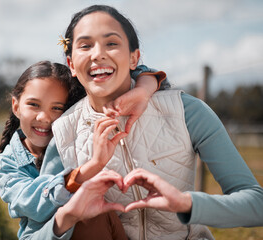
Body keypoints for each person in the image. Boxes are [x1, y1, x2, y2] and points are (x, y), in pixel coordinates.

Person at [41, 4, 263, 240]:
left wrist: (185, 203)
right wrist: (68, 216)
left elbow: (256, 204)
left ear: (134, 58)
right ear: (72, 64)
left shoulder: (187, 111)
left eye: (112, 43)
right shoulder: (63, 134)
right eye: (85, 46)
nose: (98, 54)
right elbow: (33, 232)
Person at [0, 60, 164, 239]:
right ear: (16, 106)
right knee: (87, 216)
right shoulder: (6, 164)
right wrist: (92, 166)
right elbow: (35, 205)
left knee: (95, 215)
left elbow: (133, 72)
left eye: (57, 108)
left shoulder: (76, 138)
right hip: (55, 234)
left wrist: (143, 90)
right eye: (34, 105)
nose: (45, 117)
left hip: (108, 225)